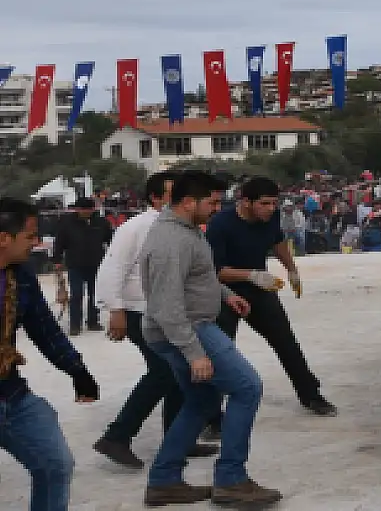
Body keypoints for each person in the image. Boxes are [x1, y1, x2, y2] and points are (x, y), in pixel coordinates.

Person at [140, 170, 281, 507]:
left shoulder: (186, 232)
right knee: (247, 388)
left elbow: (196, 276)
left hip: (188, 326)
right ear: (188, 203)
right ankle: (231, 479)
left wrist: (224, 294)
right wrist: (194, 353)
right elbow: (166, 304)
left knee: (202, 402)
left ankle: (164, 480)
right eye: (213, 202)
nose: (219, 208)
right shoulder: (171, 242)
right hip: (187, 330)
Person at [92, 171, 218, 468]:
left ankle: (179, 439)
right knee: (163, 373)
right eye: (171, 193)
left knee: (177, 376)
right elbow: (113, 267)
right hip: (139, 311)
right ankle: (117, 437)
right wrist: (115, 309)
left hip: (169, 313)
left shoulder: (185, 228)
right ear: (155, 198)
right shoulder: (136, 227)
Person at [204, 176, 335, 433]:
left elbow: (278, 243)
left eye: (274, 203)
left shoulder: (271, 217)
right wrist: (250, 274)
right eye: (264, 204)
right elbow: (212, 271)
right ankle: (212, 417)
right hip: (225, 293)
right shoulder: (220, 224)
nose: (270, 208)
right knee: (221, 354)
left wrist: (292, 269)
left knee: (286, 342)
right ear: (246, 202)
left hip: (260, 291)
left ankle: (310, 394)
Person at [0, 196, 100, 511]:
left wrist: (77, 370)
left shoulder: (21, 276)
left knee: (55, 465)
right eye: (30, 236)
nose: (38, 243)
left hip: (11, 392)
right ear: (4, 238)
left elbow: (44, 329)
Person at [52, 196, 114, 335]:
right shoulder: (66, 223)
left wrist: (112, 258)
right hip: (75, 264)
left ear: (93, 209)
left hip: (96, 263)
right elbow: (59, 242)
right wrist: (57, 260)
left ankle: (93, 321)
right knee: (76, 294)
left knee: (95, 295)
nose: (84, 211)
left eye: (87, 209)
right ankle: (75, 324)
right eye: (81, 209)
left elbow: (110, 241)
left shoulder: (101, 222)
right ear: (76, 209)